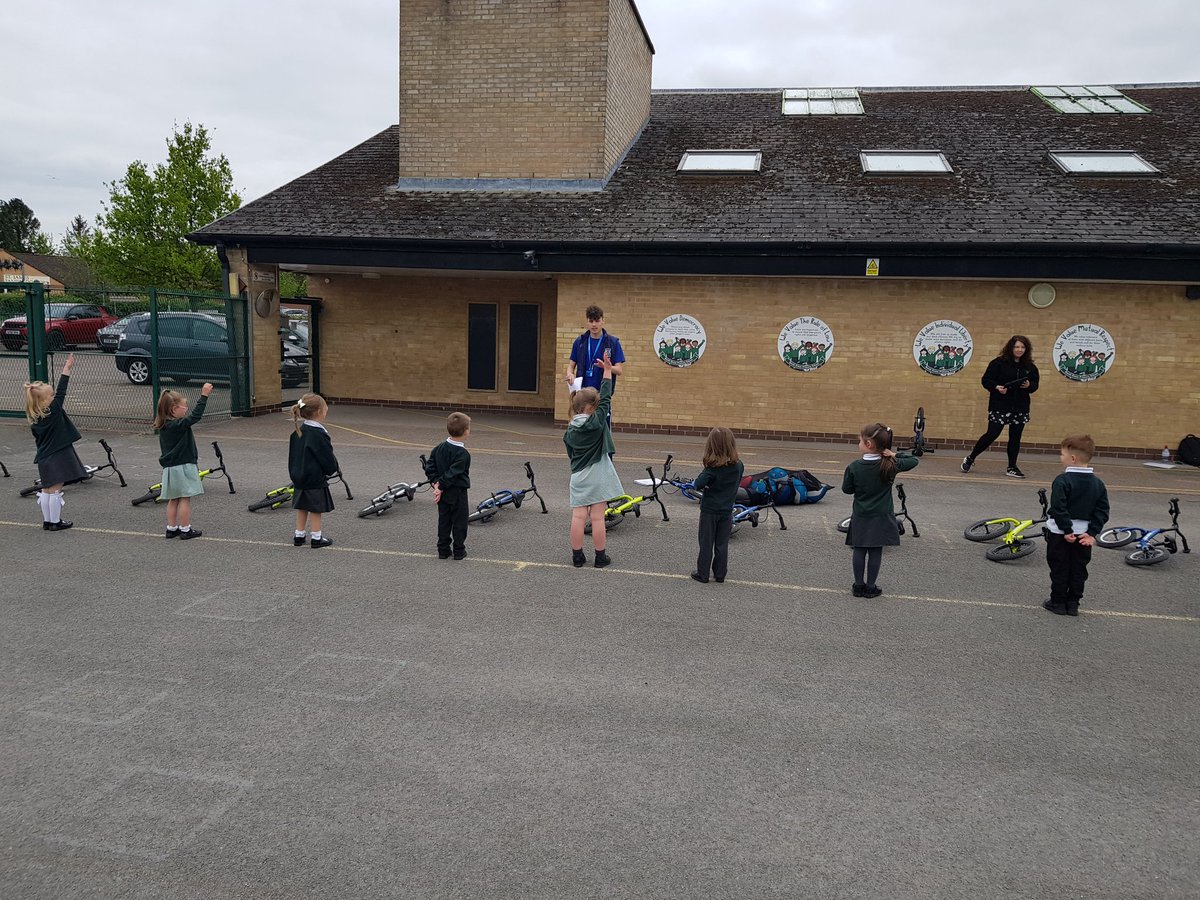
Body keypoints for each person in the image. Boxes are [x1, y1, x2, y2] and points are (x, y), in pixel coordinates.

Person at [841, 422, 919, 598]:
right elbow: (914, 460)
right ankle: (871, 587)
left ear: (868, 444)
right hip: (882, 515)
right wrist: (894, 454)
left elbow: (847, 489)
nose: (858, 443)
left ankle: (858, 585)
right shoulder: (890, 464)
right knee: (876, 552)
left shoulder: (854, 467)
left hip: (861, 514)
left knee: (859, 550)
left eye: (860, 441)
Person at [563, 354, 621, 568]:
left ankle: (577, 556)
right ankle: (600, 557)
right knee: (597, 518)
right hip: (598, 475)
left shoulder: (569, 432)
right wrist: (607, 371)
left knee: (578, 517)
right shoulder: (596, 422)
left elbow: (571, 454)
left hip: (579, 474)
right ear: (591, 409)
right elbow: (605, 398)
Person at [1042, 434, 1110, 617]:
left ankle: (1057, 602)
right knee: (1079, 569)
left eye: (1062, 454)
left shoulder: (1062, 481)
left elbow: (1059, 507)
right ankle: (1073, 603)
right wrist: (1092, 533)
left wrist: (1067, 530)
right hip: (1084, 535)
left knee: (1059, 567)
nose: (1060, 457)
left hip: (1060, 533)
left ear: (1072, 458)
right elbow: (1102, 510)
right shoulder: (1098, 484)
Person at [961, 334, 1040, 478]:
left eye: (1022, 347)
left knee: (1015, 437)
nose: (1019, 350)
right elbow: (986, 380)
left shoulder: (1030, 367)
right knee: (992, 433)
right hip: (1000, 405)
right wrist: (996, 387)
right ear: (1011, 348)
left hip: (1020, 406)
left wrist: (1029, 385)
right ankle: (971, 457)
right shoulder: (998, 363)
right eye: (1016, 347)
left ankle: (1012, 467)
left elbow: (1035, 385)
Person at [24, 353, 85, 531]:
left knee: (47, 489)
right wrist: (67, 368)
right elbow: (62, 389)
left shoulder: (35, 419)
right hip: (59, 454)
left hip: (44, 456)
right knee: (56, 490)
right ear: (44, 401)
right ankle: (56, 522)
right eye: (51, 396)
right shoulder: (54, 410)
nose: (54, 397)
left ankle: (47, 521)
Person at [154, 383, 214, 539]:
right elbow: (195, 416)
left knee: (173, 499)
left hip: (170, 468)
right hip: (183, 466)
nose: (186, 409)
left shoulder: (164, 426)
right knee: (185, 498)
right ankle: (185, 529)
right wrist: (204, 396)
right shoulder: (178, 425)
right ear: (174, 409)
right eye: (184, 407)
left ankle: (171, 528)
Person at [690, 427, 744, 584]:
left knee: (706, 543)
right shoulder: (738, 465)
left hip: (709, 510)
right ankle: (720, 574)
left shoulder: (711, 469)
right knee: (722, 543)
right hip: (727, 510)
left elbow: (697, 484)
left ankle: (703, 573)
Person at [288, 393, 340, 548]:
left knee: (302, 506)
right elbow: (326, 456)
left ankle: (299, 534)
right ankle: (316, 537)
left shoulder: (298, 431)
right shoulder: (319, 434)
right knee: (315, 508)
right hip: (314, 477)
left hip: (299, 476)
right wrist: (333, 468)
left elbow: (293, 456)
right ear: (319, 412)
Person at [424, 412, 472, 560]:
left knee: (444, 520)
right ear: (466, 431)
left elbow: (430, 467)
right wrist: (440, 486)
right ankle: (459, 550)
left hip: (443, 493)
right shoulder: (463, 454)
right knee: (459, 522)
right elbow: (453, 473)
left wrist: (436, 484)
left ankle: (443, 550)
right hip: (457, 492)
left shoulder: (438, 448)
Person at [565, 306, 625, 418]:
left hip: (602, 397)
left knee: (602, 427)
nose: (594, 325)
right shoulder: (580, 342)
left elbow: (619, 370)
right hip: (582, 396)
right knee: (583, 426)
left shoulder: (612, 342)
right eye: (591, 321)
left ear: (603, 321)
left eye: (597, 321)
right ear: (587, 322)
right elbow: (571, 366)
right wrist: (570, 374)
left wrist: (607, 367)